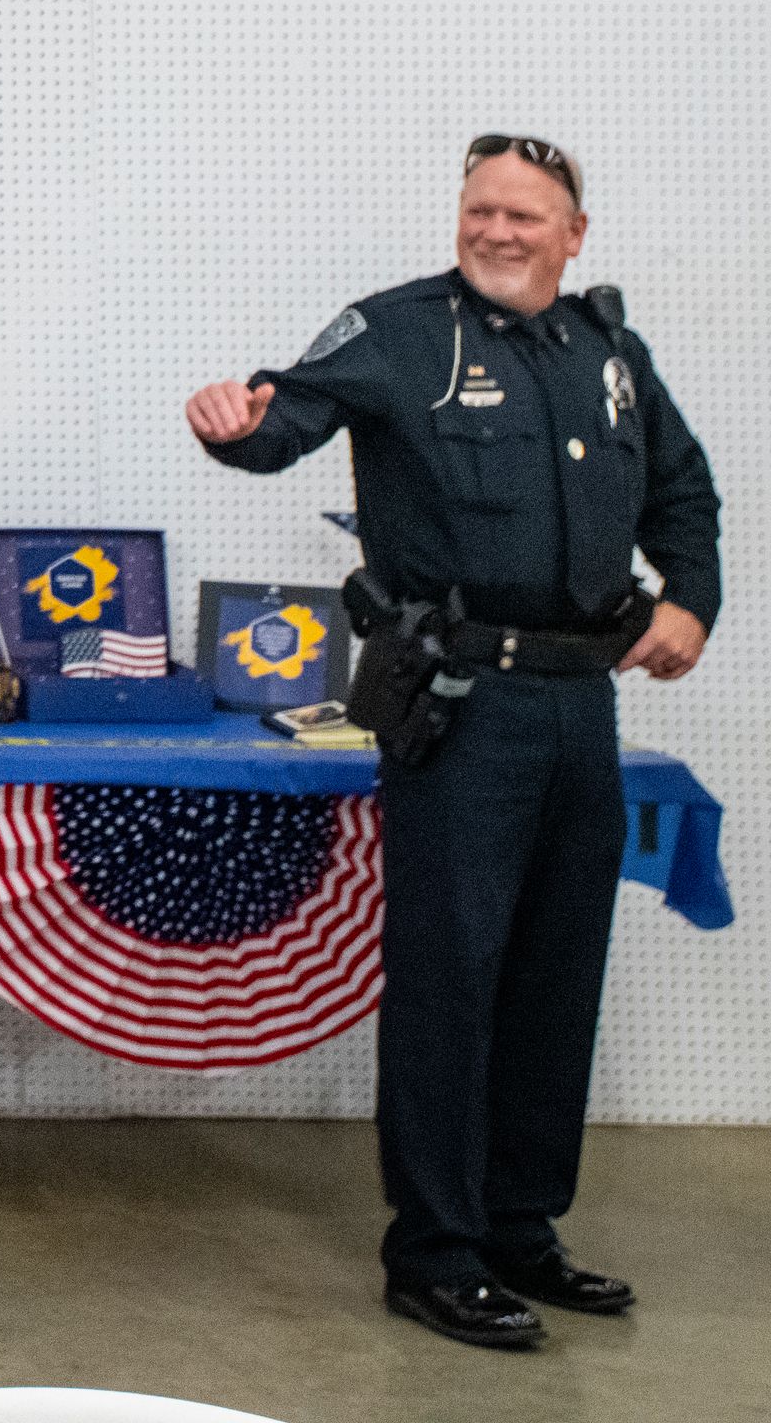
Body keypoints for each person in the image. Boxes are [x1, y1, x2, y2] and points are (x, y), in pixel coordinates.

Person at [188, 131, 721, 1353]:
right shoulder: (400, 333)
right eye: (480, 210)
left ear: (572, 233)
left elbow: (681, 492)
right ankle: (432, 1252)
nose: (496, 232)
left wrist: (689, 597)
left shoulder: (609, 355)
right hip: (461, 708)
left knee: (553, 975)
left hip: (583, 707)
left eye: (525, 216)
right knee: (450, 982)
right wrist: (231, 424)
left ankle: (521, 1229)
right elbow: (285, 418)